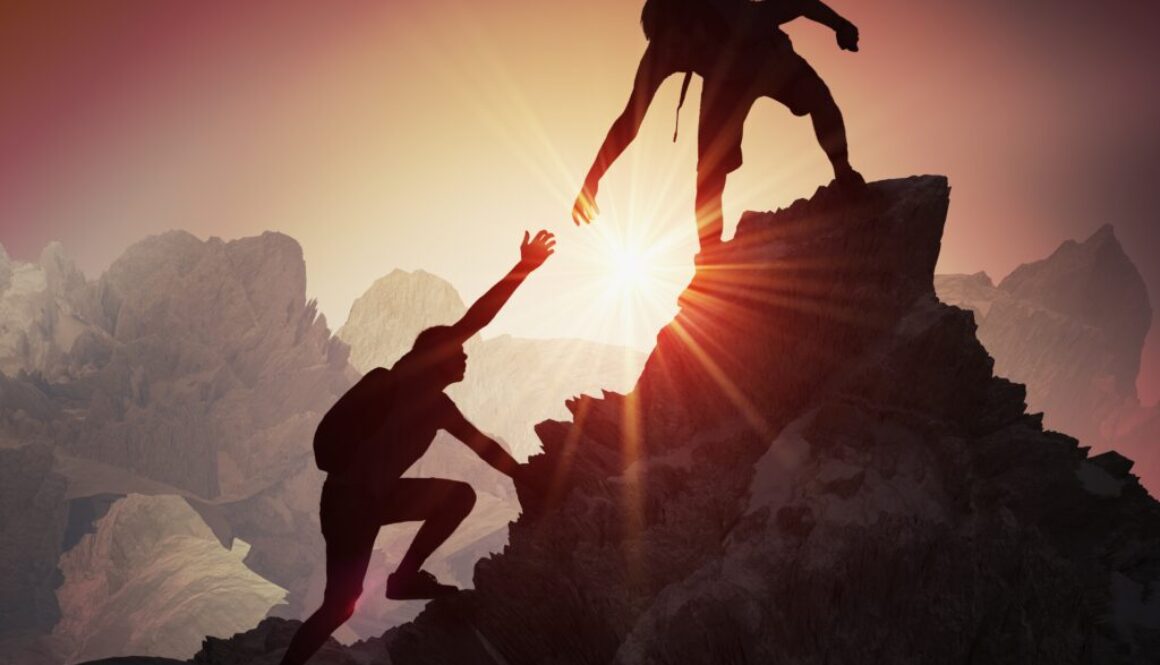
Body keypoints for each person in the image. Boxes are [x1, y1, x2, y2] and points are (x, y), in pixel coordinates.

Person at [279, 230, 556, 665]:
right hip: (349, 502)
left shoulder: (441, 407)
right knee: (341, 604)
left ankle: (405, 578)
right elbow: (475, 320)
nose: (465, 356)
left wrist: (529, 476)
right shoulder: (411, 377)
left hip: (374, 498)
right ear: (438, 354)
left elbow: (482, 447)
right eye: (458, 351)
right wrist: (524, 268)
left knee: (458, 496)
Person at [572, 0, 864, 255]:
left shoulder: (738, 15)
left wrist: (840, 25)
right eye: (672, 48)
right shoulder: (663, 53)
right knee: (709, 170)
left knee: (818, 98)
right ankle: (710, 254)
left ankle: (844, 174)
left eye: (683, 45)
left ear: (698, 25)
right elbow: (629, 123)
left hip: (765, 57)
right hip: (723, 86)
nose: (680, 54)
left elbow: (799, 3)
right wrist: (592, 179)